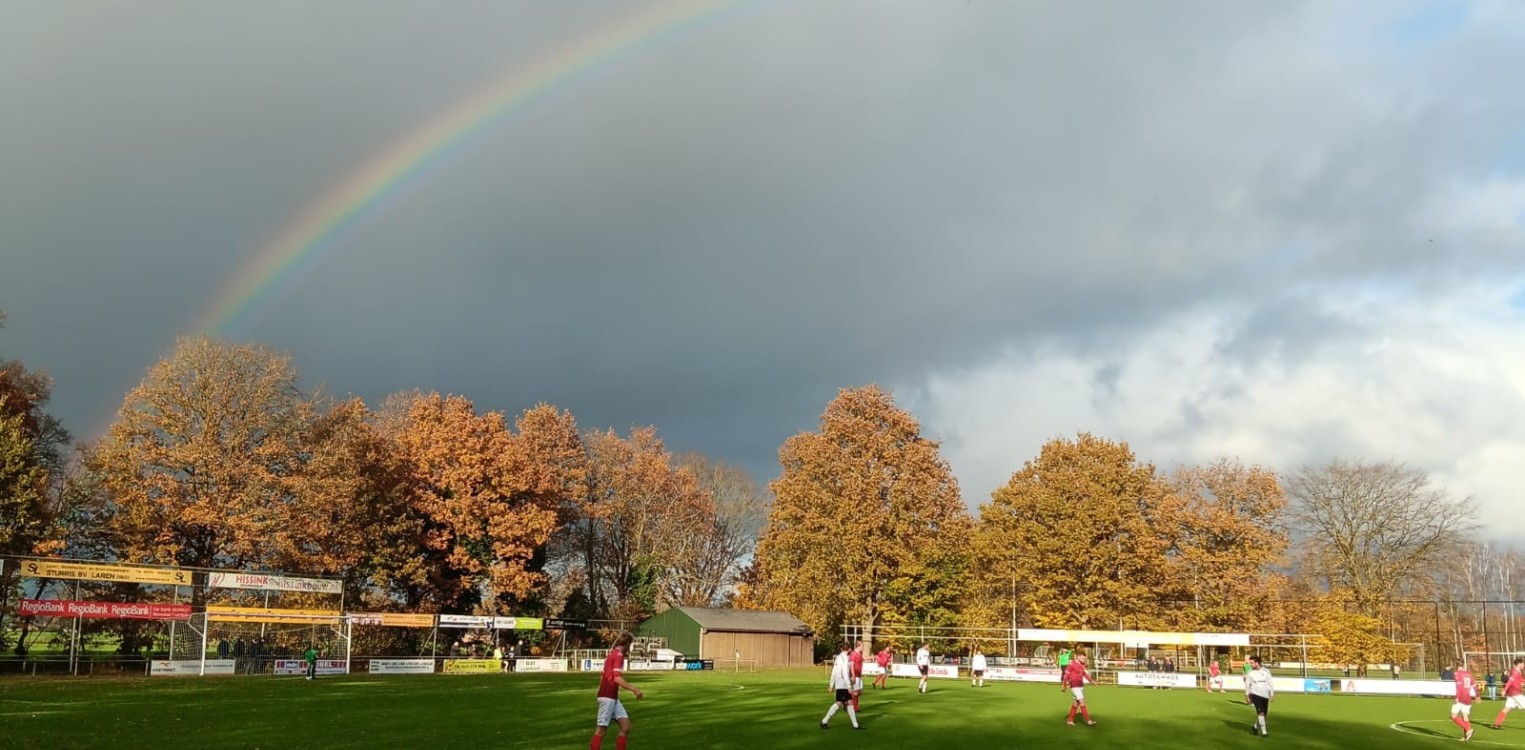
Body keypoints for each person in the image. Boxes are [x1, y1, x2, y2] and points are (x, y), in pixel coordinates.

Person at [592, 632, 644, 750]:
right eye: (630, 644)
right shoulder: (619, 655)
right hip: (608, 696)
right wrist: (634, 689)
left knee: (625, 727)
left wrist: (601, 690)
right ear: (627, 643)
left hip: (611, 697)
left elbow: (603, 675)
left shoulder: (612, 653)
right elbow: (617, 678)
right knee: (601, 730)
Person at [821, 642, 862, 730]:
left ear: (841, 649)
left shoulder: (838, 658)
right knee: (840, 703)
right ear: (849, 649)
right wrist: (849, 686)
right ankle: (824, 721)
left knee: (848, 702)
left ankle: (855, 724)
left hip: (839, 684)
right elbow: (845, 673)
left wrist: (831, 684)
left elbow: (834, 672)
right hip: (843, 684)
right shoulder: (845, 659)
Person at [1245, 655, 1275, 737]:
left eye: (1252, 663)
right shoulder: (1250, 673)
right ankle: (1264, 732)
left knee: (1264, 714)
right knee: (1261, 713)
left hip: (1265, 695)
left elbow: (1270, 683)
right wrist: (1247, 696)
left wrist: (1272, 694)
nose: (1250, 664)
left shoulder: (1266, 671)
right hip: (1255, 694)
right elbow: (1247, 685)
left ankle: (1255, 726)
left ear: (1257, 663)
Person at [1065, 654, 1097, 727]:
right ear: (1078, 656)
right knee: (1082, 702)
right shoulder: (1072, 664)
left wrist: (1091, 681)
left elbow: (1084, 674)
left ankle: (1070, 720)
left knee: (1076, 703)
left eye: (1084, 659)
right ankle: (1088, 721)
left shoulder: (1082, 664)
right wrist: (1064, 685)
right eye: (1083, 659)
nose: (1084, 660)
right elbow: (1066, 675)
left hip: (1080, 686)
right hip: (1074, 686)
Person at [1493, 658, 1525, 730]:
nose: (1524, 665)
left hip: (1511, 694)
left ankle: (1497, 724)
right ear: (1519, 664)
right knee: (1507, 708)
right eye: (1523, 663)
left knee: (1507, 708)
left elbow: (1518, 680)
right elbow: (1510, 681)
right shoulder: (1516, 672)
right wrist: (1504, 690)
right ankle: (1497, 724)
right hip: (1516, 694)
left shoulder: (1516, 671)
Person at [1451, 659, 1477, 742]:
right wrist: (1477, 695)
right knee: (1465, 716)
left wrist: (1457, 697)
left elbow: (1460, 687)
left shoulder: (1457, 674)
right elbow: (1474, 685)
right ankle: (1466, 736)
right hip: (1468, 698)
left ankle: (1468, 729)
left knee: (1454, 716)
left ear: (1456, 665)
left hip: (1461, 697)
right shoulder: (1469, 674)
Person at [849, 638, 865, 711]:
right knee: (856, 692)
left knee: (860, 691)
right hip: (855, 675)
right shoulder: (853, 654)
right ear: (858, 646)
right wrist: (853, 676)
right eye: (862, 646)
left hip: (859, 675)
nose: (863, 647)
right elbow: (851, 665)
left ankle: (849, 702)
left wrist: (871, 657)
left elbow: (862, 658)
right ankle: (855, 708)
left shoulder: (859, 654)